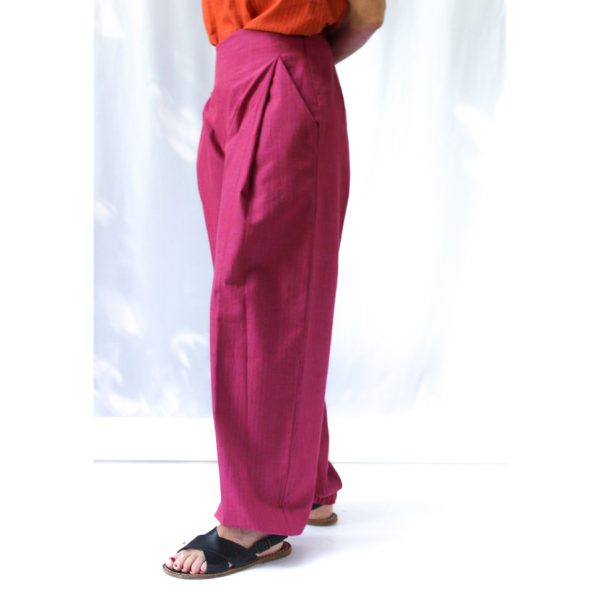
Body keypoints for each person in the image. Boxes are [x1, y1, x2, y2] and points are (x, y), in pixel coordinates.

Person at [163, 0, 386, 579]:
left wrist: (288, 57)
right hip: (233, 79)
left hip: (281, 72)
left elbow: (367, 13)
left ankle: (254, 519)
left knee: (259, 298)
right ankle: (304, 484)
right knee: (270, 296)